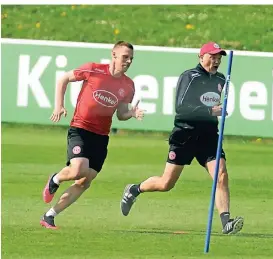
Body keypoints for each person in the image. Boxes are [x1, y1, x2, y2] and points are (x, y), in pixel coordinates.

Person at [120, 42, 244, 235]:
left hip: (209, 137)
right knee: (166, 183)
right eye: (212, 56)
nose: (216, 60)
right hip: (185, 134)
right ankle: (134, 190)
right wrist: (211, 110)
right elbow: (182, 108)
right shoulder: (190, 77)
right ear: (201, 57)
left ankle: (226, 222)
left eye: (219, 57)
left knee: (221, 175)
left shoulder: (220, 79)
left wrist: (219, 111)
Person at [40, 41, 145, 230]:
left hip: (101, 136)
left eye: (131, 58)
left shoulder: (128, 85)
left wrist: (132, 113)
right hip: (81, 128)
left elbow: (121, 114)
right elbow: (63, 79)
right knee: (78, 169)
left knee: (84, 181)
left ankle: (49, 216)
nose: (128, 61)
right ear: (113, 55)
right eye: (125, 57)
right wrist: (59, 105)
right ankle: (55, 179)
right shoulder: (93, 69)